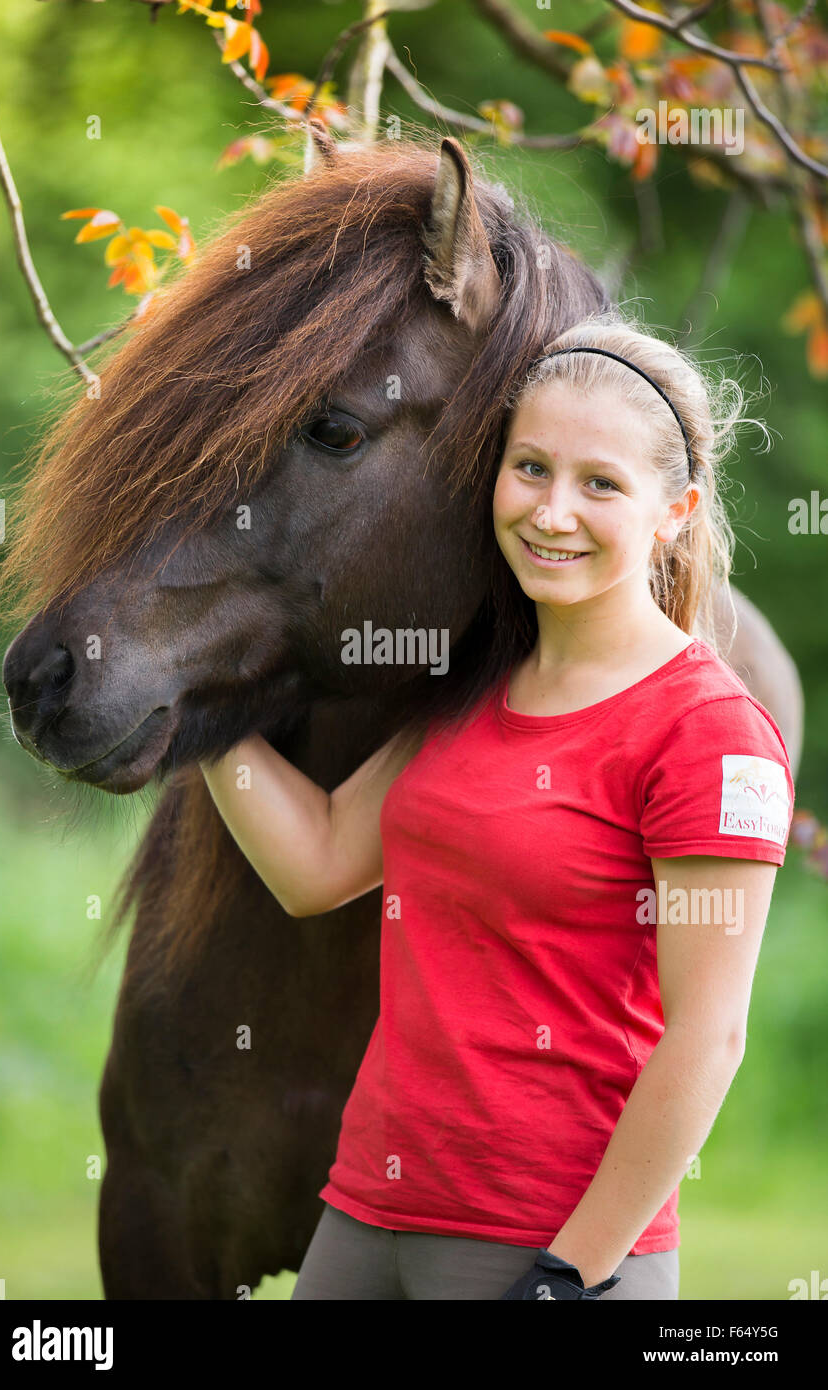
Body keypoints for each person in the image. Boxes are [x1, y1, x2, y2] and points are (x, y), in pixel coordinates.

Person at [199, 313, 795, 1300]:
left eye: (599, 484)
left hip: (546, 1246)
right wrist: (197, 707)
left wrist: (575, 1273)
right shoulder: (469, 684)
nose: (551, 511)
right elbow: (318, 863)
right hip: (365, 1214)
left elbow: (707, 1035)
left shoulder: (711, 733)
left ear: (674, 509)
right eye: (529, 469)